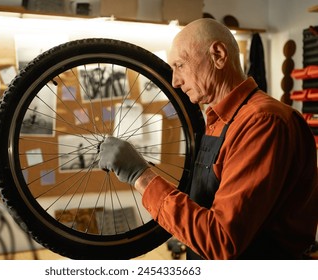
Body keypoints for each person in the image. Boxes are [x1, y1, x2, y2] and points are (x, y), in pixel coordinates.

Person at [98, 18, 318, 260]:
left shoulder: (263, 122)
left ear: (218, 55)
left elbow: (221, 240)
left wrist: (141, 175)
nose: (175, 81)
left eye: (180, 65)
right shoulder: (219, 120)